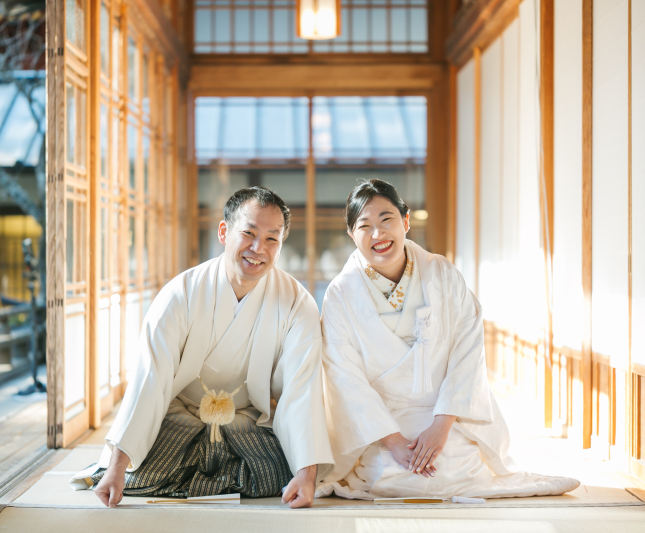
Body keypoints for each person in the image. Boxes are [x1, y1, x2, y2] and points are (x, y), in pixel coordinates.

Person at [70, 187, 334, 508]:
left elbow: (301, 389)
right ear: (224, 232)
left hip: (245, 419)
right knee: (138, 474)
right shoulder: (181, 293)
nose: (257, 248)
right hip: (179, 415)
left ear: (281, 244)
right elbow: (150, 379)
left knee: (277, 475)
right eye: (248, 233)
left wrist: (306, 474)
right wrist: (116, 466)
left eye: (271, 239)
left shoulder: (296, 302)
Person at [316, 179, 579, 500]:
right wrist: (395, 442)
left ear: (406, 221)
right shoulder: (341, 294)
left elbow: (467, 351)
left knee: (454, 467)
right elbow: (345, 377)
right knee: (393, 476)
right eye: (365, 226)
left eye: (387, 220)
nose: (377, 234)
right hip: (383, 426)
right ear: (351, 235)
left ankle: (444, 443)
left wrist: (440, 428)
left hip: (445, 414)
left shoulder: (442, 273)